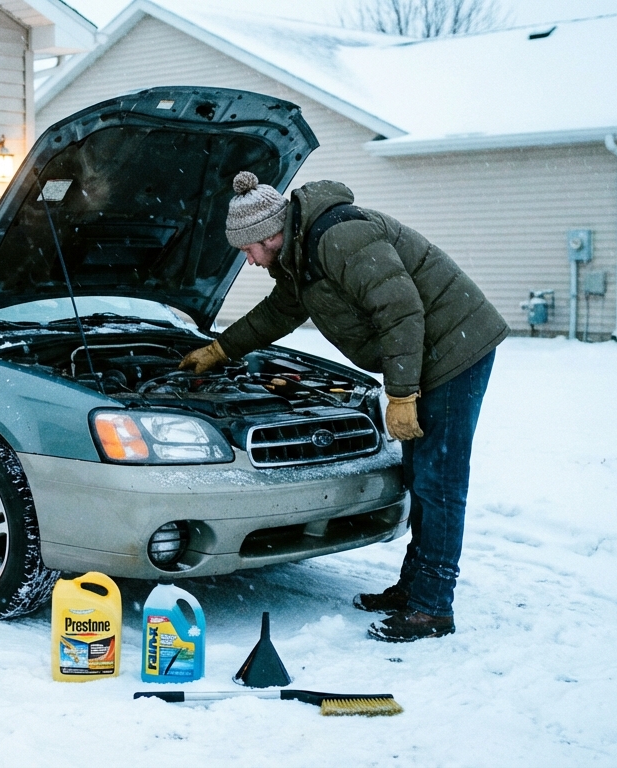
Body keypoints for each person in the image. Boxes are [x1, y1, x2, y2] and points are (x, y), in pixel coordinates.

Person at [181, 171, 508, 642]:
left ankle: (433, 608)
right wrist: (219, 350)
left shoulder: (340, 237)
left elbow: (400, 310)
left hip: (457, 350)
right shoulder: (301, 256)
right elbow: (277, 313)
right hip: (426, 353)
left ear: (269, 234)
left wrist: (401, 394)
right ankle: (415, 589)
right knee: (422, 475)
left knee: (440, 480)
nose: (248, 260)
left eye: (247, 249)